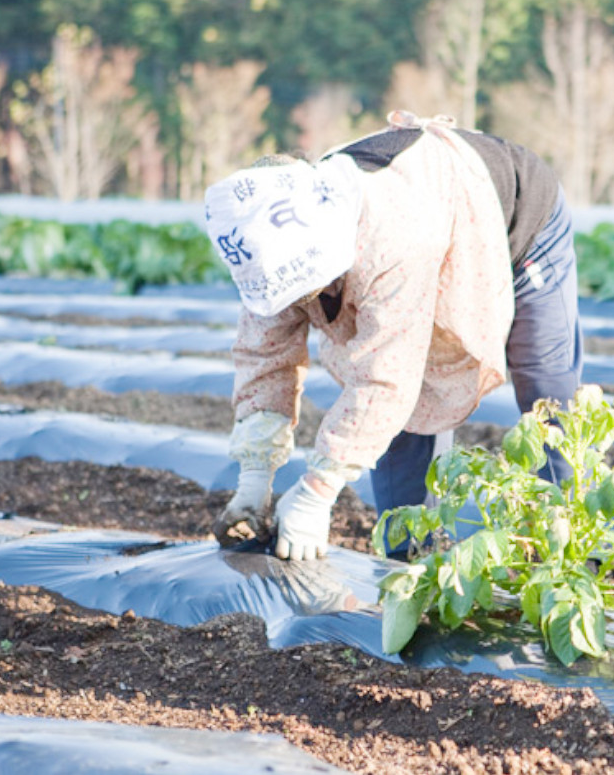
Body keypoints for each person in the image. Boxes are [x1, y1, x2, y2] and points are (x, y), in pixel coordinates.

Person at [204, 110, 583, 561]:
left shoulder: (389, 237)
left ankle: (572, 547)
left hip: (518, 221)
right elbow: (264, 354)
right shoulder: (268, 245)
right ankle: (412, 556)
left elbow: (386, 378)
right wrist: (254, 476)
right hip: (432, 215)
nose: (300, 302)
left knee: (546, 388)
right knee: (404, 425)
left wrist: (316, 493)